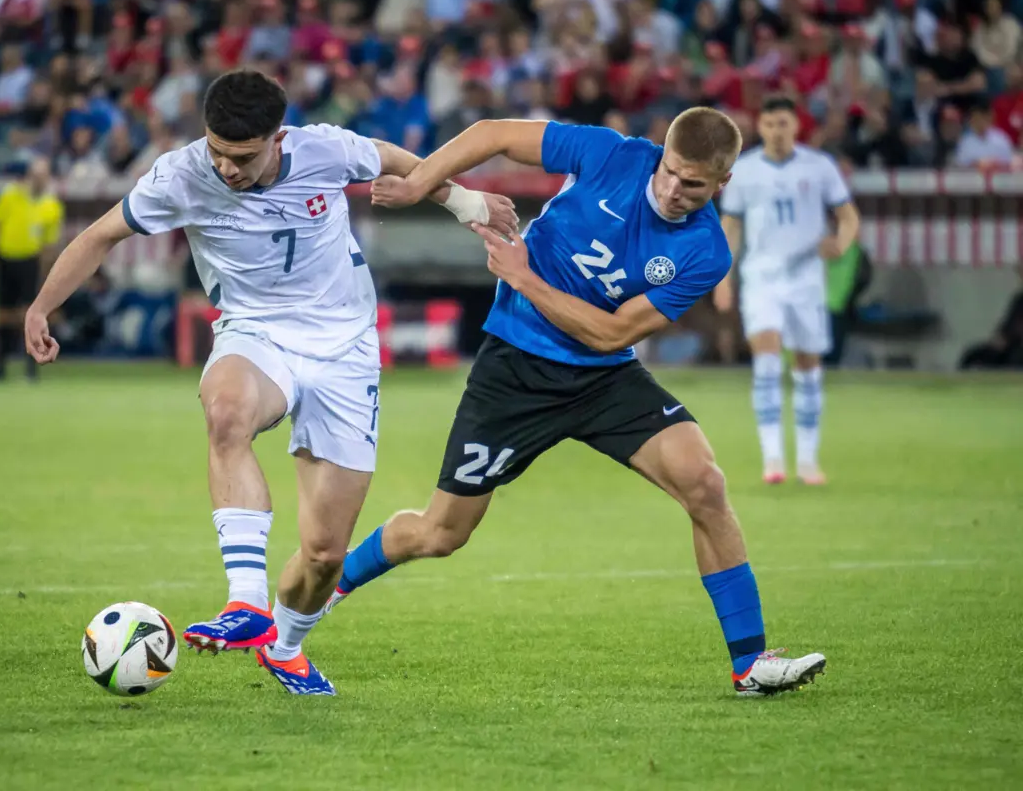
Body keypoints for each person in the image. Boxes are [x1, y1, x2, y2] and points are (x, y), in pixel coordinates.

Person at [22, 69, 517, 696]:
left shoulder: (325, 150)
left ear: (278, 137)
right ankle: (246, 602)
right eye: (217, 151)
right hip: (255, 333)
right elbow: (99, 237)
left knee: (322, 555)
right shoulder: (180, 175)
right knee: (226, 410)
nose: (226, 168)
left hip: (345, 351)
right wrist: (41, 306)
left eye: (243, 156)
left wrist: (465, 202)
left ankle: (283, 646)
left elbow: (394, 158)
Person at [327, 109, 828, 698]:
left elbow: (613, 335)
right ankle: (330, 582)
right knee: (441, 533)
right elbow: (494, 135)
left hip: (603, 376)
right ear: (659, 154)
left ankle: (750, 665)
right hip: (516, 367)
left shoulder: (705, 251)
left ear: (722, 185)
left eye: (692, 184)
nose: (672, 189)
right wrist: (420, 184)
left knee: (706, 485)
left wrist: (523, 277)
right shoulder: (613, 155)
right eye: (669, 171)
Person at [713, 97, 861, 486]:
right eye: (770, 124)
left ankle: (809, 461)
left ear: (797, 126)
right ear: (759, 128)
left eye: (783, 123)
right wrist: (723, 279)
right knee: (766, 355)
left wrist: (841, 244)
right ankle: (773, 459)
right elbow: (731, 229)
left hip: (807, 279)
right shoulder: (743, 172)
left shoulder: (820, 167)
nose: (777, 131)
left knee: (808, 365)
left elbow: (848, 217)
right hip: (761, 277)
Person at [0, 157, 64, 381]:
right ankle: (0, 366)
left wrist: (48, 273)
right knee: (3, 315)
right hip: (6, 258)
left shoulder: (52, 205)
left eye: (43, 176)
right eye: (36, 175)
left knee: (29, 314)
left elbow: (50, 244)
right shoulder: (11, 194)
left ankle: (31, 367)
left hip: (30, 262)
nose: (39, 180)